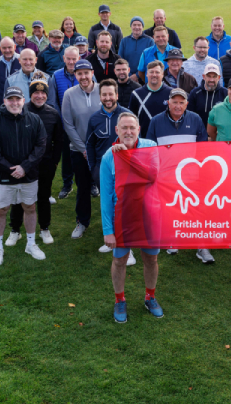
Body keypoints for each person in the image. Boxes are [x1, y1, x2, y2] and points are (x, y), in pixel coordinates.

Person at [99, 112, 163, 323]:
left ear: (138, 130)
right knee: (119, 260)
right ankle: (119, 300)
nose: (128, 132)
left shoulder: (151, 145)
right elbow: (106, 196)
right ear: (117, 130)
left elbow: (153, 175)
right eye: (123, 128)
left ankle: (150, 296)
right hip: (123, 216)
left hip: (149, 214)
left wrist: (127, 156)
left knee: (150, 258)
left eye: (132, 128)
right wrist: (108, 230)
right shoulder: (109, 155)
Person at [146, 88, 212, 263]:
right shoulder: (156, 121)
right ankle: (172, 238)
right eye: (174, 102)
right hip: (166, 176)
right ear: (168, 103)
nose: (177, 105)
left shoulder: (195, 119)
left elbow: (202, 148)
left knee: (197, 210)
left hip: (191, 176)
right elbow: (150, 150)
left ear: (186, 104)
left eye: (181, 102)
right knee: (170, 208)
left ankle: (201, 246)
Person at [0, 86, 47, 266]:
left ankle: (31, 244)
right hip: (4, 177)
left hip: (29, 175)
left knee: (30, 207)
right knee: (1, 210)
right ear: (4, 101)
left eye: (17, 99)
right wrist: (11, 169)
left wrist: (24, 167)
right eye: (10, 99)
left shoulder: (34, 120)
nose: (14, 103)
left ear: (23, 100)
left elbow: (40, 146)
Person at [6, 79, 63, 248]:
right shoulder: (20, 111)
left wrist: (54, 162)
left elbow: (58, 141)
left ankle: (44, 228)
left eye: (42, 93)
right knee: (18, 197)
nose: (39, 96)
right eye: (36, 93)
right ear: (30, 95)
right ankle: (15, 230)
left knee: (43, 196)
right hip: (22, 164)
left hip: (45, 164)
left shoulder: (53, 114)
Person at [85, 79, 133, 257]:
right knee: (107, 203)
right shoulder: (94, 118)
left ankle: (127, 242)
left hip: (125, 170)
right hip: (102, 170)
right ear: (100, 97)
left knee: (123, 204)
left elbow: (136, 141)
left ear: (117, 95)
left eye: (110, 94)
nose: (107, 98)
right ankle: (110, 236)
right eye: (104, 94)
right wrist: (93, 169)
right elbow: (89, 145)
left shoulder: (127, 115)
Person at [61, 59, 101, 240]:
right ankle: (82, 222)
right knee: (83, 187)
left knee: (107, 188)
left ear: (92, 72)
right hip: (79, 151)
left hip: (102, 151)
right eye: (79, 73)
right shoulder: (69, 94)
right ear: (75, 75)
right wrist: (84, 148)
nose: (83, 76)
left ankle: (112, 224)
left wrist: (94, 150)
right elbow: (68, 125)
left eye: (86, 72)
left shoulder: (103, 90)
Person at [47, 46, 79, 202]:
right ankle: (67, 184)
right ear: (64, 59)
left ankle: (91, 183)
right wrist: (64, 121)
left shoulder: (85, 73)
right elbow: (53, 101)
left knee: (86, 153)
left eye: (74, 58)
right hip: (64, 125)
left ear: (78, 59)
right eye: (69, 58)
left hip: (82, 123)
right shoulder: (56, 76)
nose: (71, 61)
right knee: (66, 156)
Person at [129, 61, 172, 138]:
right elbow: (131, 120)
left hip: (166, 140)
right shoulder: (136, 94)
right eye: (151, 72)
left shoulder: (171, 94)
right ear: (147, 74)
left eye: (157, 72)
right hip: (144, 141)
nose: (154, 75)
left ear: (162, 74)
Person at [0, 37, 21, 108]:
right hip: (1, 105)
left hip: (20, 104)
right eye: (4, 48)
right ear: (0, 48)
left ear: (14, 47)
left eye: (9, 47)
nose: (7, 50)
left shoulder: (21, 60)